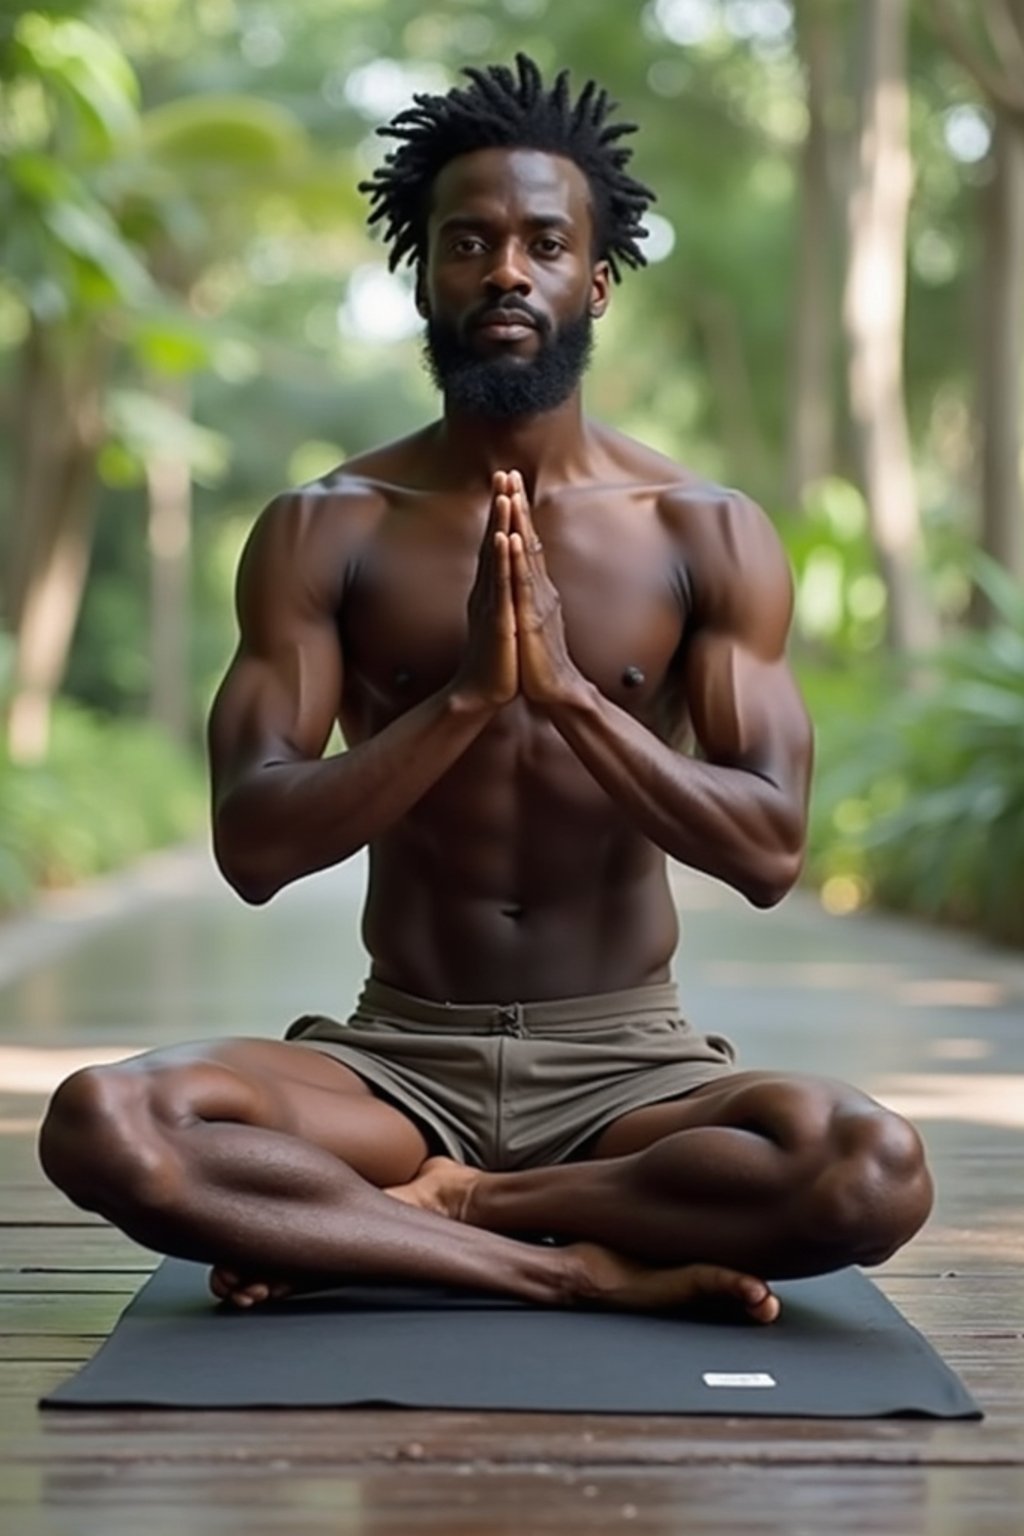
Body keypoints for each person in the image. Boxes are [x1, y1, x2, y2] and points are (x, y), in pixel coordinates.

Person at [39, 54, 933, 1323]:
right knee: (108, 1125)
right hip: (391, 1061)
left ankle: (456, 1212)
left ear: (595, 279)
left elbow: (770, 850)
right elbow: (252, 847)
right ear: (424, 273)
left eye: (542, 242)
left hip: (630, 1072)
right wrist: (461, 697)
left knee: (866, 1169)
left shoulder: (705, 530)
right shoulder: (323, 528)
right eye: (468, 240)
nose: (505, 268)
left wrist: (568, 693)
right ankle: (560, 1269)